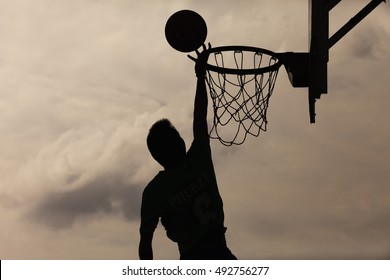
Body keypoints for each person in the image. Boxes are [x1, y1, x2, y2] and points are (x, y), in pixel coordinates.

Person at [139, 44, 236, 260]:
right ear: (178, 144)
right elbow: (200, 117)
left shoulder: (154, 191)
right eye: (177, 138)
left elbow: (145, 244)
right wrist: (200, 75)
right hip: (211, 253)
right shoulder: (198, 158)